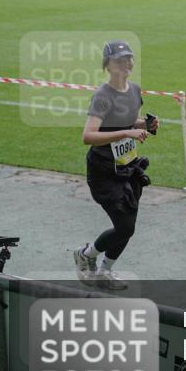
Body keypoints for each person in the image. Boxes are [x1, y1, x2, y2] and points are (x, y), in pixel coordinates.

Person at [73, 40, 156, 290]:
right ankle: (86, 254)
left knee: (127, 228)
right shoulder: (102, 96)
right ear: (108, 65)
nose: (127, 63)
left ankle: (104, 271)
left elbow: (129, 121)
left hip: (128, 168)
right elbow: (88, 136)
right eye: (120, 60)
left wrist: (145, 125)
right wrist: (126, 133)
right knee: (124, 226)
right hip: (104, 171)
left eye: (129, 58)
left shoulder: (135, 90)